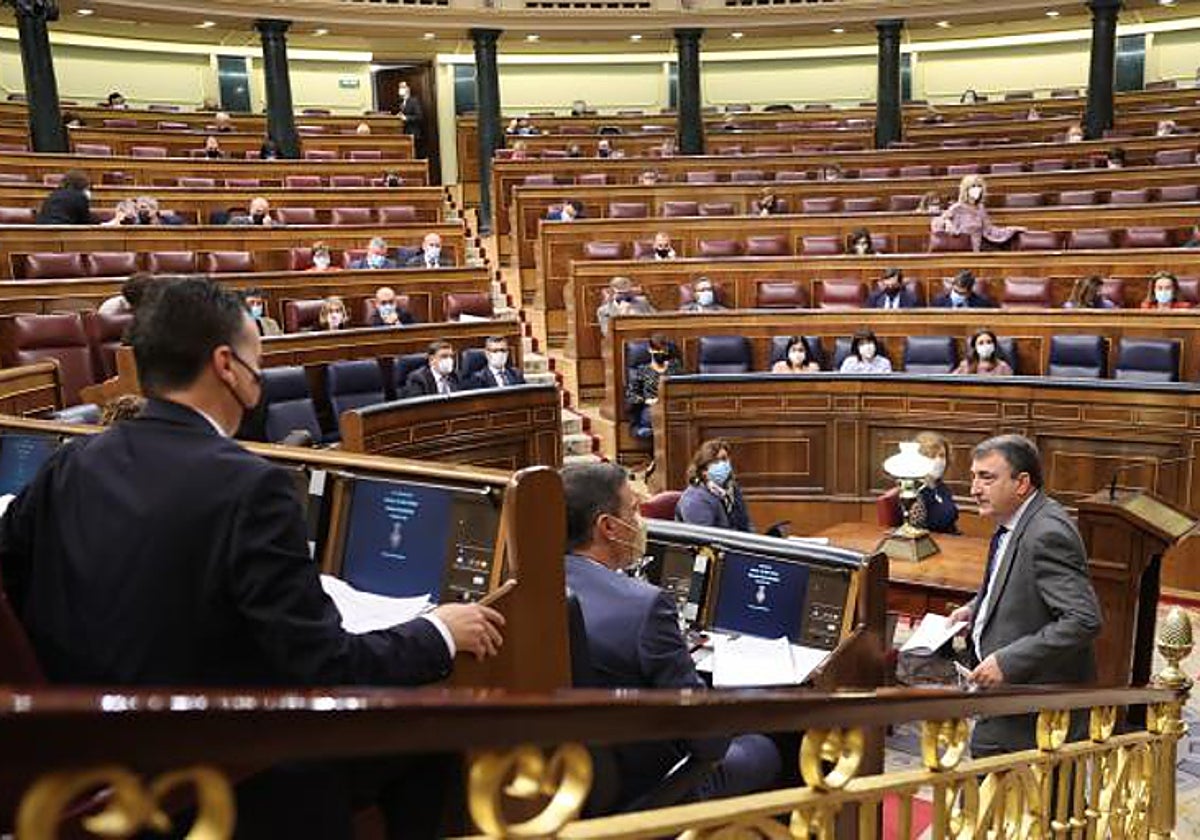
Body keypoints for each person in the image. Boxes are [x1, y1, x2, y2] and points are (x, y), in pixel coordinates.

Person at [0, 276, 505, 835]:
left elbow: (13, 590)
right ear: (226, 365)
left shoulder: (70, 464)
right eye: (257, 362)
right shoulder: (251, 487)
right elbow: (324, 665)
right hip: (210, 780)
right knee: (429, 728)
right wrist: (437, 632)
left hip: (74, 763)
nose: (259, 379)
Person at [561, 463, 781, 807]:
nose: (640, 522)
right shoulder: (645, 607)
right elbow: (708, 740)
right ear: (608, 527)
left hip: (570, 780)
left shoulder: (530, 586)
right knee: (767, 745)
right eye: (634, 510)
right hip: (652, 786)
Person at [946, 435, 1101, 756]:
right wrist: (975, 609)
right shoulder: (1016, 520)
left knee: (993, 774)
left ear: (1022, 483)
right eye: (973, 477)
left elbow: (1083, 620)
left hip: (1031, 712)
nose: (974, 489)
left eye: (987, 478)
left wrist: (1007, 661)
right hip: (1007, 702)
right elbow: (1014, 579)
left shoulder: (1047, 532)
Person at [676, 439, 752, 532]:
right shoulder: (695, 499)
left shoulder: (732, 490)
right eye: (716, 462)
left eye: (725, 459)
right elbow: (704, 537)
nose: (724, 465)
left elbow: (746, 526)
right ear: (704, 470)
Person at [932, 175, 1022, 251]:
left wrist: (1012, 230)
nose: (977, 189)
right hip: (963, 249)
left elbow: (990, 230)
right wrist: (947, 223)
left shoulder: (980, 208)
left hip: (978, 248)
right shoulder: (957, 208)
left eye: (979, 186)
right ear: (966, 190)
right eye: (973, 186)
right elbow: (936, 223)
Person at [626, 334, 682, 439]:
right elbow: (633, 398)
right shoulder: (643, 371)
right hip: (652, 411)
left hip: (675, 409)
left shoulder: (676, 369)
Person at [904, 431, 959, 534]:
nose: (938, 461)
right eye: (931, 456)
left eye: (942, 456)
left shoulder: (941, 487)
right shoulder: (913, 491)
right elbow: (916, 528)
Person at [932, 270, 997, 309]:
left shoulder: (983, 304)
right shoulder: (938, 302)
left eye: (962, 293)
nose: (957, 295)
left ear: (970, 292)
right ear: (953, 285)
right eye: (956, 291)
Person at [396, 81, 424, 154]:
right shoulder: (401, 102)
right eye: (400, 87)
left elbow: (419, 116)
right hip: (404, 133)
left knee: (414, 153)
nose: (400, 89)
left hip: (413, 133)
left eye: (403, 87)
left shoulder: (414, 101)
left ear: (408, 89)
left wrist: (406, 118)